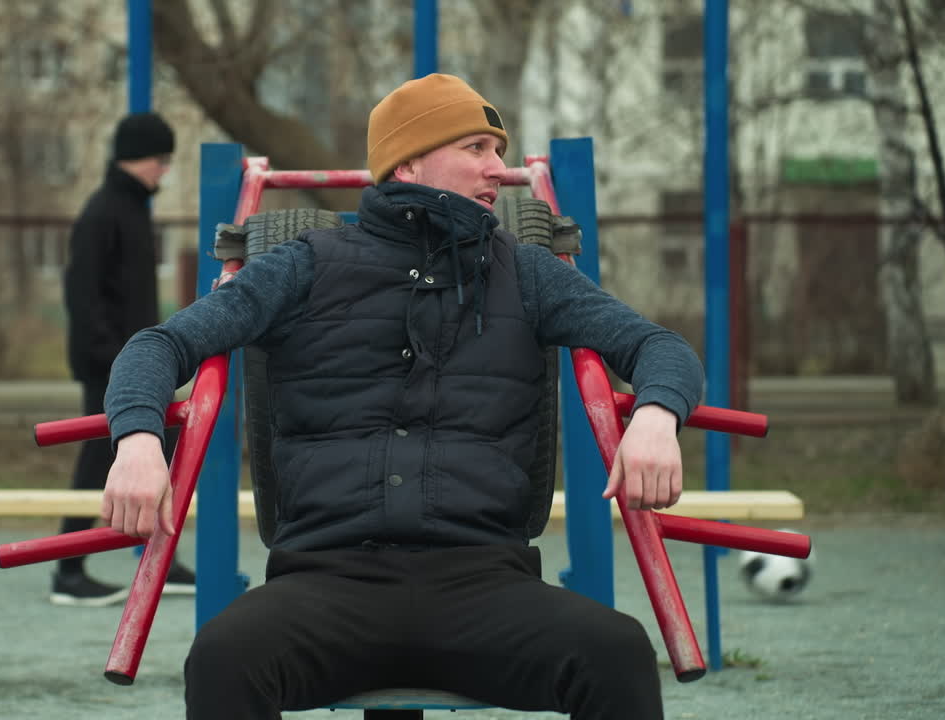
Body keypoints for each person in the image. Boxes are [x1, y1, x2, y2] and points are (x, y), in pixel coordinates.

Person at [100, 74, 704, 719]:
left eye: (499, 152)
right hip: (328, 582)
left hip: (482, 582)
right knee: (224, 657)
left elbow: (661, 348)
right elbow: (158, 347)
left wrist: (655, 415)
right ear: (409, 161)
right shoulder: (304, 266)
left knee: (616, 652)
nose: (497, 170)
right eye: (476, 148)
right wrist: (138, 439)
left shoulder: (524, 272)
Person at [53, 111, 196, 607]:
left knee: (168, 445)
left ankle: (160, 560)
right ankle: (68, 572)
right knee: (98, 458)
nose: (165, 171)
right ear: (143, 158)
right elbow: (83, 293)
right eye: (163, 161)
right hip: (111, 364)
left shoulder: (131, 208)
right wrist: (112, 358)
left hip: (135, 362)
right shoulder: (105, 211)